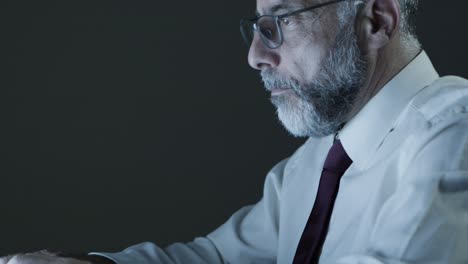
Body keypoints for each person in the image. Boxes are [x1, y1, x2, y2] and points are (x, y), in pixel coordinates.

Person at [2, 0, 468, 263]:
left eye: (282, 23)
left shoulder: (453, 127)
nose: (256, 56)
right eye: (258, 26)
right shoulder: (309, 167)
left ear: (377, 20)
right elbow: (216, 258)